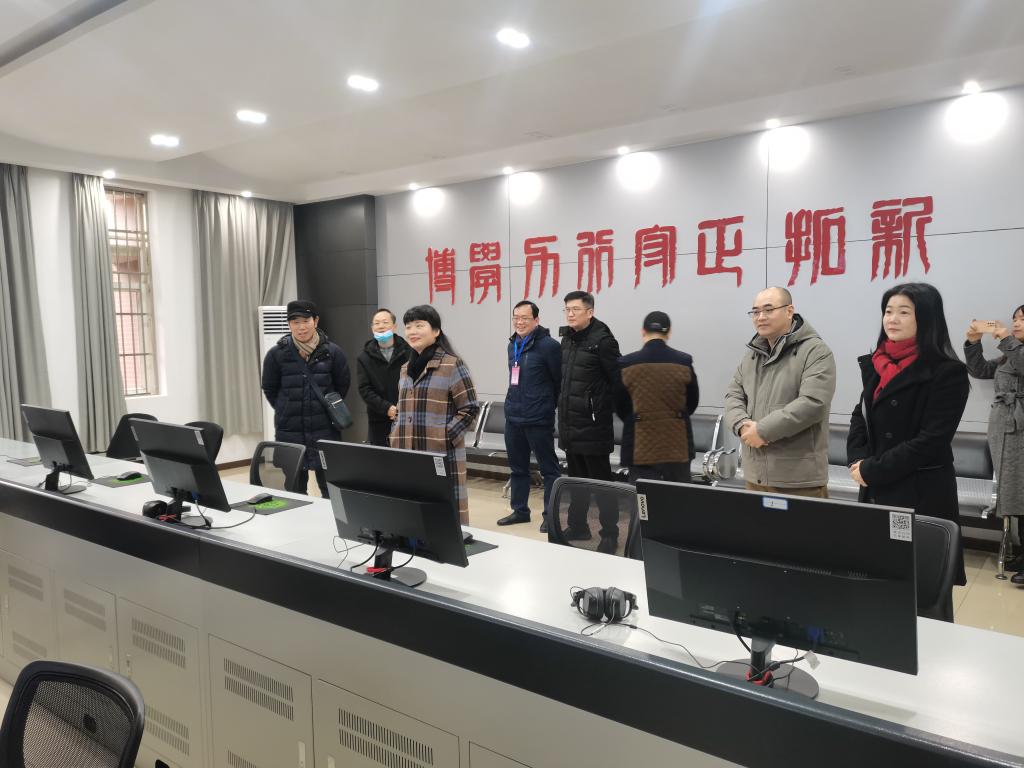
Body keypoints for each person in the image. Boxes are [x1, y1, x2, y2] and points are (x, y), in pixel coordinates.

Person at [847, 282, 970, 585]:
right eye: (888, 311)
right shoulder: (877, 365)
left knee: (920, 587)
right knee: (875, 581)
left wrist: (873, 470)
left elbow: (932, 440)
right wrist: (858, 462)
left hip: (920, 490)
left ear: (926, 318)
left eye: (904, 312)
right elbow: (861, 417)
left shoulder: (947, 372)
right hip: (876, 486)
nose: (892, 319)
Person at [724, 287, 836, 496]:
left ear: (789, 311)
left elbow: (813, 403)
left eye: (768, 310)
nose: (760, 317)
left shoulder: (815, 351)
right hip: (755, 475)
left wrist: (762, 431)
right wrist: (741, 425)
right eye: (755, 311)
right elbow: (733, 395)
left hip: (799, 480)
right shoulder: (752, 355)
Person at [390, 305, 481, 525]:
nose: (412, 331)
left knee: (444, 516)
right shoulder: (405, 369)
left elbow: (470, 408)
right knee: (413, 514)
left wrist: (444, 436)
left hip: (441, 454)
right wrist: (395, 433)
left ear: (436, 331)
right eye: (408, 327)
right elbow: (402, 408)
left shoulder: (451, 365)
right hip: (406, 452)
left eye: (419, 325)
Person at [261, 300, 350, 497]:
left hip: (325, 430)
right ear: (289, 324)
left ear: (315, 321)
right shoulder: (276, 355)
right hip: (290, 430)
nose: (301, 327)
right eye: (295, 322)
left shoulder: (333, 352)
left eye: (306, 321)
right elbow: (269, 387)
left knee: (330, 489)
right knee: (295, 488)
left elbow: (342, 386)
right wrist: (286, 407)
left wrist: (322, 408)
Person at [558, 290, 624, 549]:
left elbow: (618, 381)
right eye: (567, 309)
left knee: (601, 485)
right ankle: (578, 527)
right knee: (576, 483)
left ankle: (610, 534)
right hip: (570, 425)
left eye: (575, 309)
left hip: (594, 426)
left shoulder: (603, 341)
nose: (570, 314)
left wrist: (599, 408)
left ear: (590, 312)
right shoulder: (568, 339)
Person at [964, 305, 1024, 584]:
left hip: (1019, 428)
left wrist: (1006, 338)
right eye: (1015, 319)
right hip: (1005, 428)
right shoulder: (1009, 354)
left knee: (1021, 491)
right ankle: (1021, 554)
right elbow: (980, 370)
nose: (1016, 323)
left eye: (1023, 319)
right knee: (1014, 492)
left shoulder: (1015, 351)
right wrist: (973, 343)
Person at [498, 300, 562, 532]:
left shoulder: (549, 346)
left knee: (549, 470)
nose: (519, 322)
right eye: (516, 317)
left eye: (524, 318)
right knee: (518, 468)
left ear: (536, 320)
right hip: (513, 416)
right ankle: (520, 511)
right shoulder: (512, 345)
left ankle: (550, 516)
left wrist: (546, 405)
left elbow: (558, 381)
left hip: (538, 418)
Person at [619, 311, 699, 483]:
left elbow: (621, 406)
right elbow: (692, 402)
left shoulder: (626, 364)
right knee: (678, 495)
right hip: (677, 446)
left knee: (643, 496)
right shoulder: (683, 362)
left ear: (643, 332)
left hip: (640, 446)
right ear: (668, 332)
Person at [357, 308, 412, 446]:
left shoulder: (410, 352)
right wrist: (387, 408)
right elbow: (365, 389)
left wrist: (402, 408)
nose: (381, 326)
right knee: (381, 457)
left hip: (407, 417)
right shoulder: (364, 357)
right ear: (372, 328)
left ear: (394, 327)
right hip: (378, 419)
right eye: (376, 323)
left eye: (385, 322)